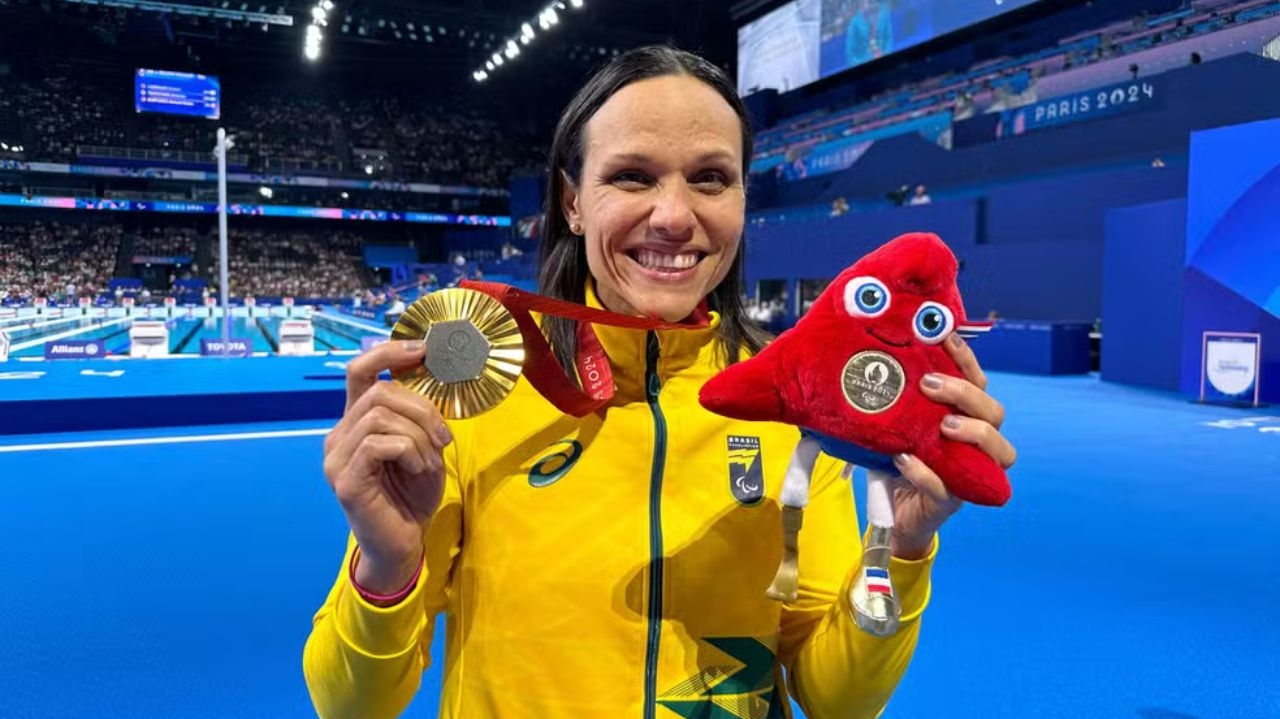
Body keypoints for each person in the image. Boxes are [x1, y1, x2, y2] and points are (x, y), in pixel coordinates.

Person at [304, 46, 1016, 719]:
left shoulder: (802, 408)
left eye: (710, 177)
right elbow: (351, 704)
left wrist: (898, 546)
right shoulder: (475, 392)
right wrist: (386, 564)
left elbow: (836, 699)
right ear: (573, 201)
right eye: (632, 176)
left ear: (742, 198)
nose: (674, 216)